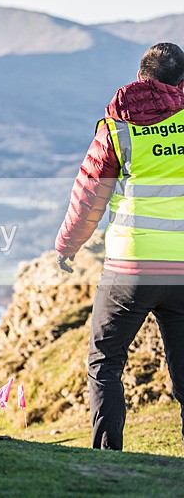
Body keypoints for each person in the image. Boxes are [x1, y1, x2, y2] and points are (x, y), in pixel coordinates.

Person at [56, 42, 184, 450]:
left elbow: (89, 195)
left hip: (129, 269)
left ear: (141, 76)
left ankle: (108, 456)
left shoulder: (116, 127)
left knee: (105, 362)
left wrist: (67, 246)